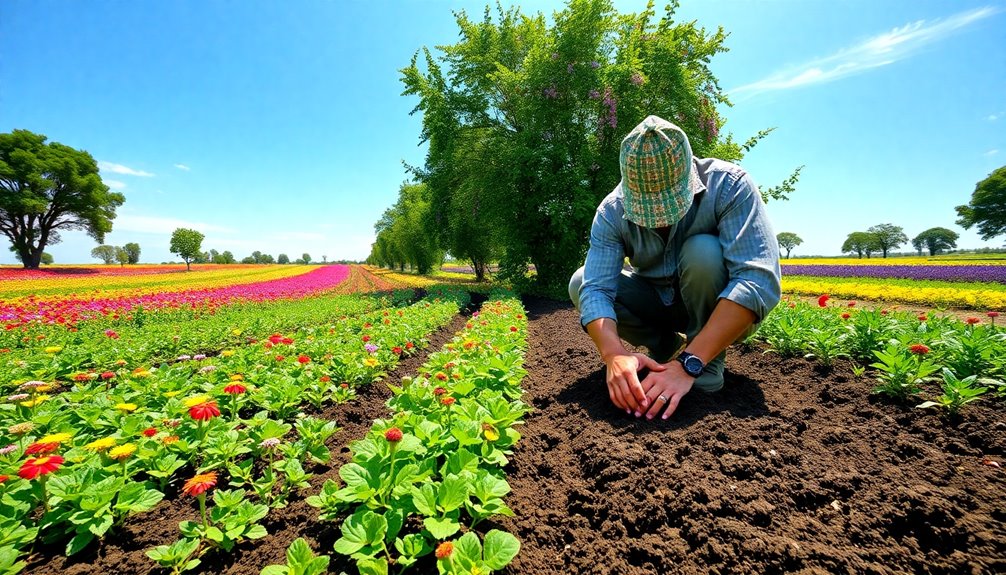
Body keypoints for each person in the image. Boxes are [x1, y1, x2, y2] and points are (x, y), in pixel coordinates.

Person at [569, 115, 781, 420]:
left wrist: (688, 364)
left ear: (688, 176)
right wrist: (614, 354)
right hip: (658, 302)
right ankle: (666, 347)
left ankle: (703, 360)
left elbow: (757, 280)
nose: (660, 219)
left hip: (717, 306)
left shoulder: (729, 185)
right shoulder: (611, 211)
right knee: (581, 281)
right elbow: (597, 288)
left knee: (703, 251)